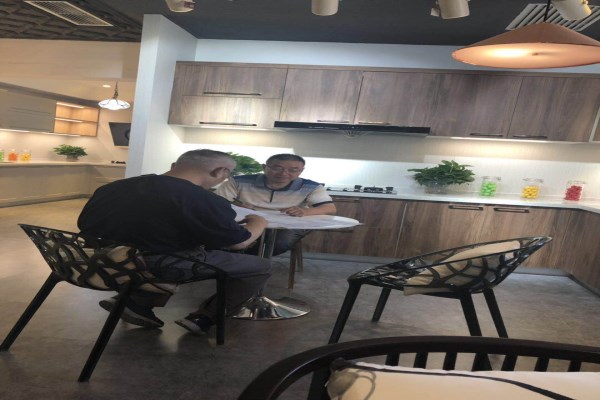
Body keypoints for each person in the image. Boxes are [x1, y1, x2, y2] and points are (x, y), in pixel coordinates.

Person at [77, 149, 271, 335]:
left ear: (174, 165)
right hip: (156, 264)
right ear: (220, 171)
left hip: (100, 259)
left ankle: (137, 304)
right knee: (259, 266)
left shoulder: (113, 187)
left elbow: (84, 223)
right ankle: (203, 318)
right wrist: (258, 222)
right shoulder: (201, 198)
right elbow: (238, 243)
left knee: (164, 246)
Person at [215, 153, 336, 256]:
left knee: (279, 243)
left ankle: (244, 261)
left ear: (301, 171)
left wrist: (305, 211)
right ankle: (240, 261)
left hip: (289, 223)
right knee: (225, 235)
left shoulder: (311, 186)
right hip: (247, 219)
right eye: (277, 168)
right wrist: (236, 206)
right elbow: (217, 201)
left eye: (293, 170)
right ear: (264, 167)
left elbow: (329, 208)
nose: (284, 173)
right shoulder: (239, 181)